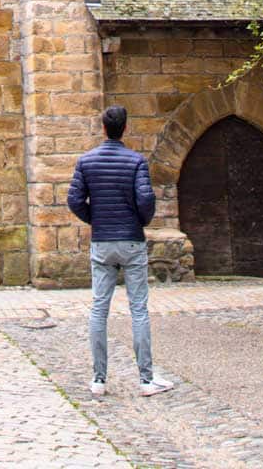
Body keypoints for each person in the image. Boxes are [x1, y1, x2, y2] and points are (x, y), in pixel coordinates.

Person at [67, 103, 173, 398]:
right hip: (130, 240)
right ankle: (146, 380)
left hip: (102, 241)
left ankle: (99, 380)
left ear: (103, 128)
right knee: (138, 309)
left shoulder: (86, 161)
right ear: (125, 128)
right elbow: (146, 199)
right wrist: (139, 221)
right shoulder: (136, 161)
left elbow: (74, 199)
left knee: (99, 308)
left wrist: (95, 219)